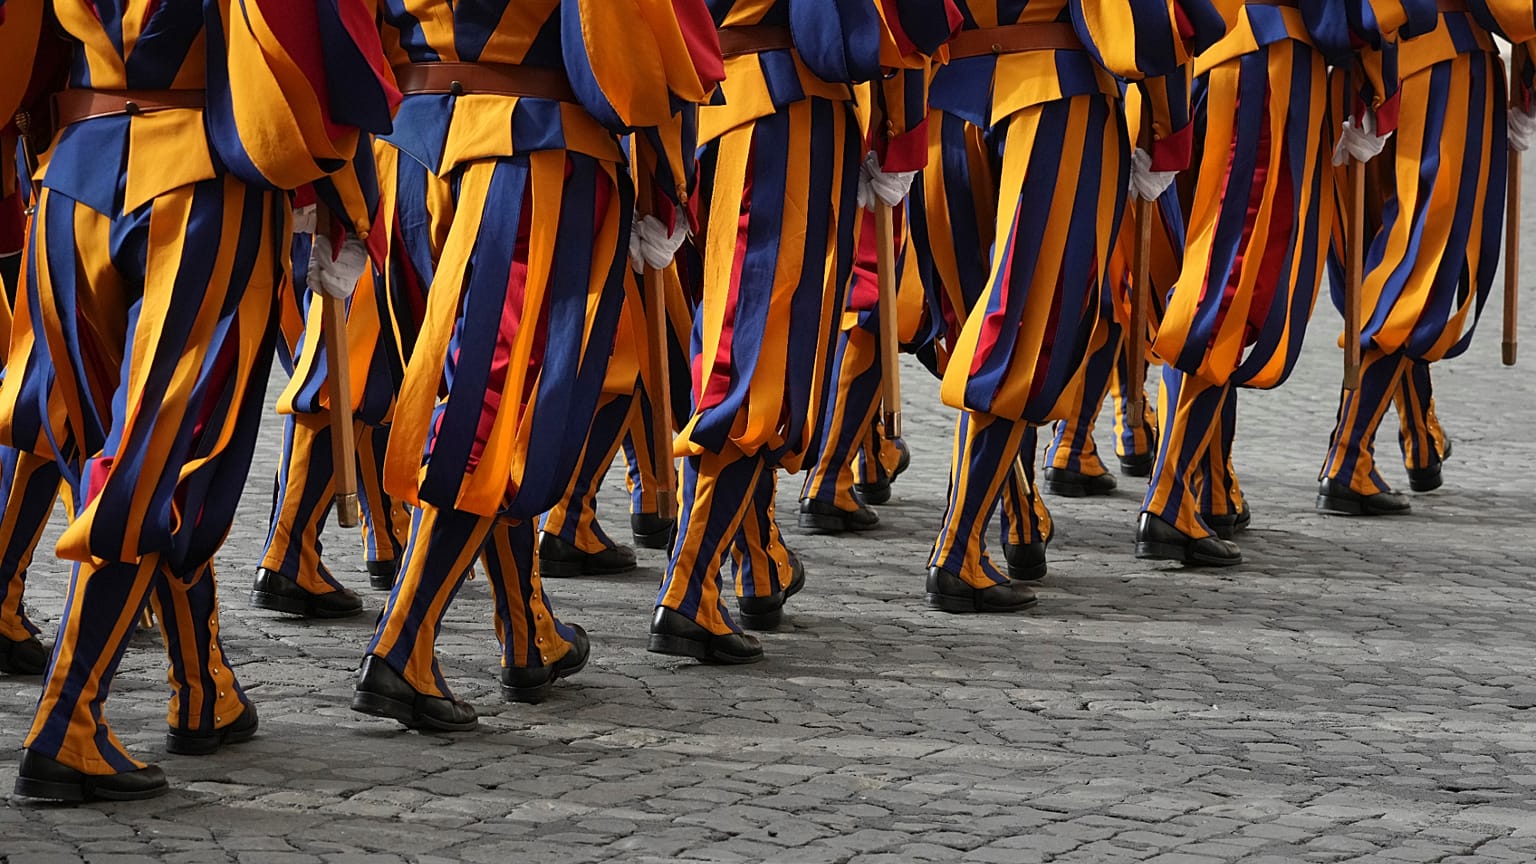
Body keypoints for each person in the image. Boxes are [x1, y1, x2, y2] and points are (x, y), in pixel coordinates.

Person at [2, 0, 398, 802]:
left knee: (130, 455)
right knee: (155, 463)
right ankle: (69, 725)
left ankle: (202, 682)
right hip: (198, 183)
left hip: (73, 175)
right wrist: (347, 204)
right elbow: (306, 38)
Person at [353, 0, 725, 728]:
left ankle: (527, 632)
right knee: (490, 411)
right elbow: (641, 34)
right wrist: (666, 176)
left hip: (413, 147)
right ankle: (402, 644)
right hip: (530, 148)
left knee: (486, 404)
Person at [648, 1, 961, 662]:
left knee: (738, 344)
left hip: (711, 111)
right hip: (790, 107)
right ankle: (688, 587)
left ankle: (756, 562)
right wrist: (900, 131)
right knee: (759, 362)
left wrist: (661, 163)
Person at [922, 0, 1237, 609]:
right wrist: (1166, 129)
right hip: (1054, 93)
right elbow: (1152, 19)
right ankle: (958, 548)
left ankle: (1016, 516)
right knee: (1025, 328)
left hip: (945, 100)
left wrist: (894, 121)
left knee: (984, 326)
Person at [1137, 1, 1437, 563]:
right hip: (1266, 61)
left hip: (1194, 62)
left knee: (1212, 273)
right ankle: (1169, 496)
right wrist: (1377, 87)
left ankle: (1205, 486)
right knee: (1226, 286)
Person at [1316, 0, 1506, 518]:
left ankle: (1419, 436)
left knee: (1385, 266)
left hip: (1359, 64)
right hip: (1444, 63)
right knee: (1419, 268)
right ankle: (1348, 456)